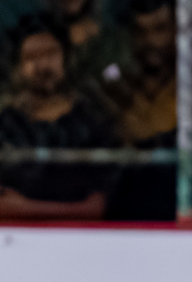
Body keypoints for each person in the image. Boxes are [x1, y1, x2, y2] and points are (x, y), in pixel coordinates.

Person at [100, 0, 192, 221]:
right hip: (127, 218)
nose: (150, 41)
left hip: (180, 213)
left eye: (160, 29)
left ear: (177, 31)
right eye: (141, 32)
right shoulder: (120, 87)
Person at [0, 15, 117, 221]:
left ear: (67, 57)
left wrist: (24, 207)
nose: (43, 65)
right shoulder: (6, 125)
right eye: (31, 57)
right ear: (18, 67)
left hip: (84, 238)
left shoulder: (93, 120)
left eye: (51, 53)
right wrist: (75, 210)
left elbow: (98, 207)